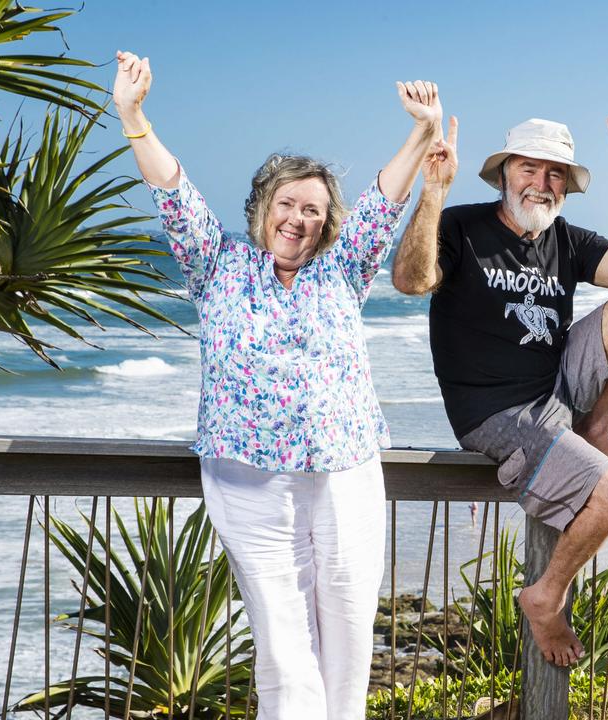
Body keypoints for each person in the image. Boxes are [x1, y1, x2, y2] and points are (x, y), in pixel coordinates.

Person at [113, 50, 441, 719]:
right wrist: (133, 114)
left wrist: (422, 131)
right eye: (287, 204)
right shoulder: (217, 265)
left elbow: (385, 201)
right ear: (264, 209)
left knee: (349, 627)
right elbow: (175, 194)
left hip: (344, 468)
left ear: (328, 223)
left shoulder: (342, 271)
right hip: (247, 477)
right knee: (285, 646)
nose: (299, 218)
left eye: (314, 210)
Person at [392, 112, 608, 666]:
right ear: (503, 174)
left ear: (566, 185)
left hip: (557, 390)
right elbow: (411, 280)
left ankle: (596, 428)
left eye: (555, 174)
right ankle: (545, 596)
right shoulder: (460, 226)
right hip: (493, 410)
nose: (541, 183)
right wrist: (432, 194)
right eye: (529, 168)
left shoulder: (566, 239)